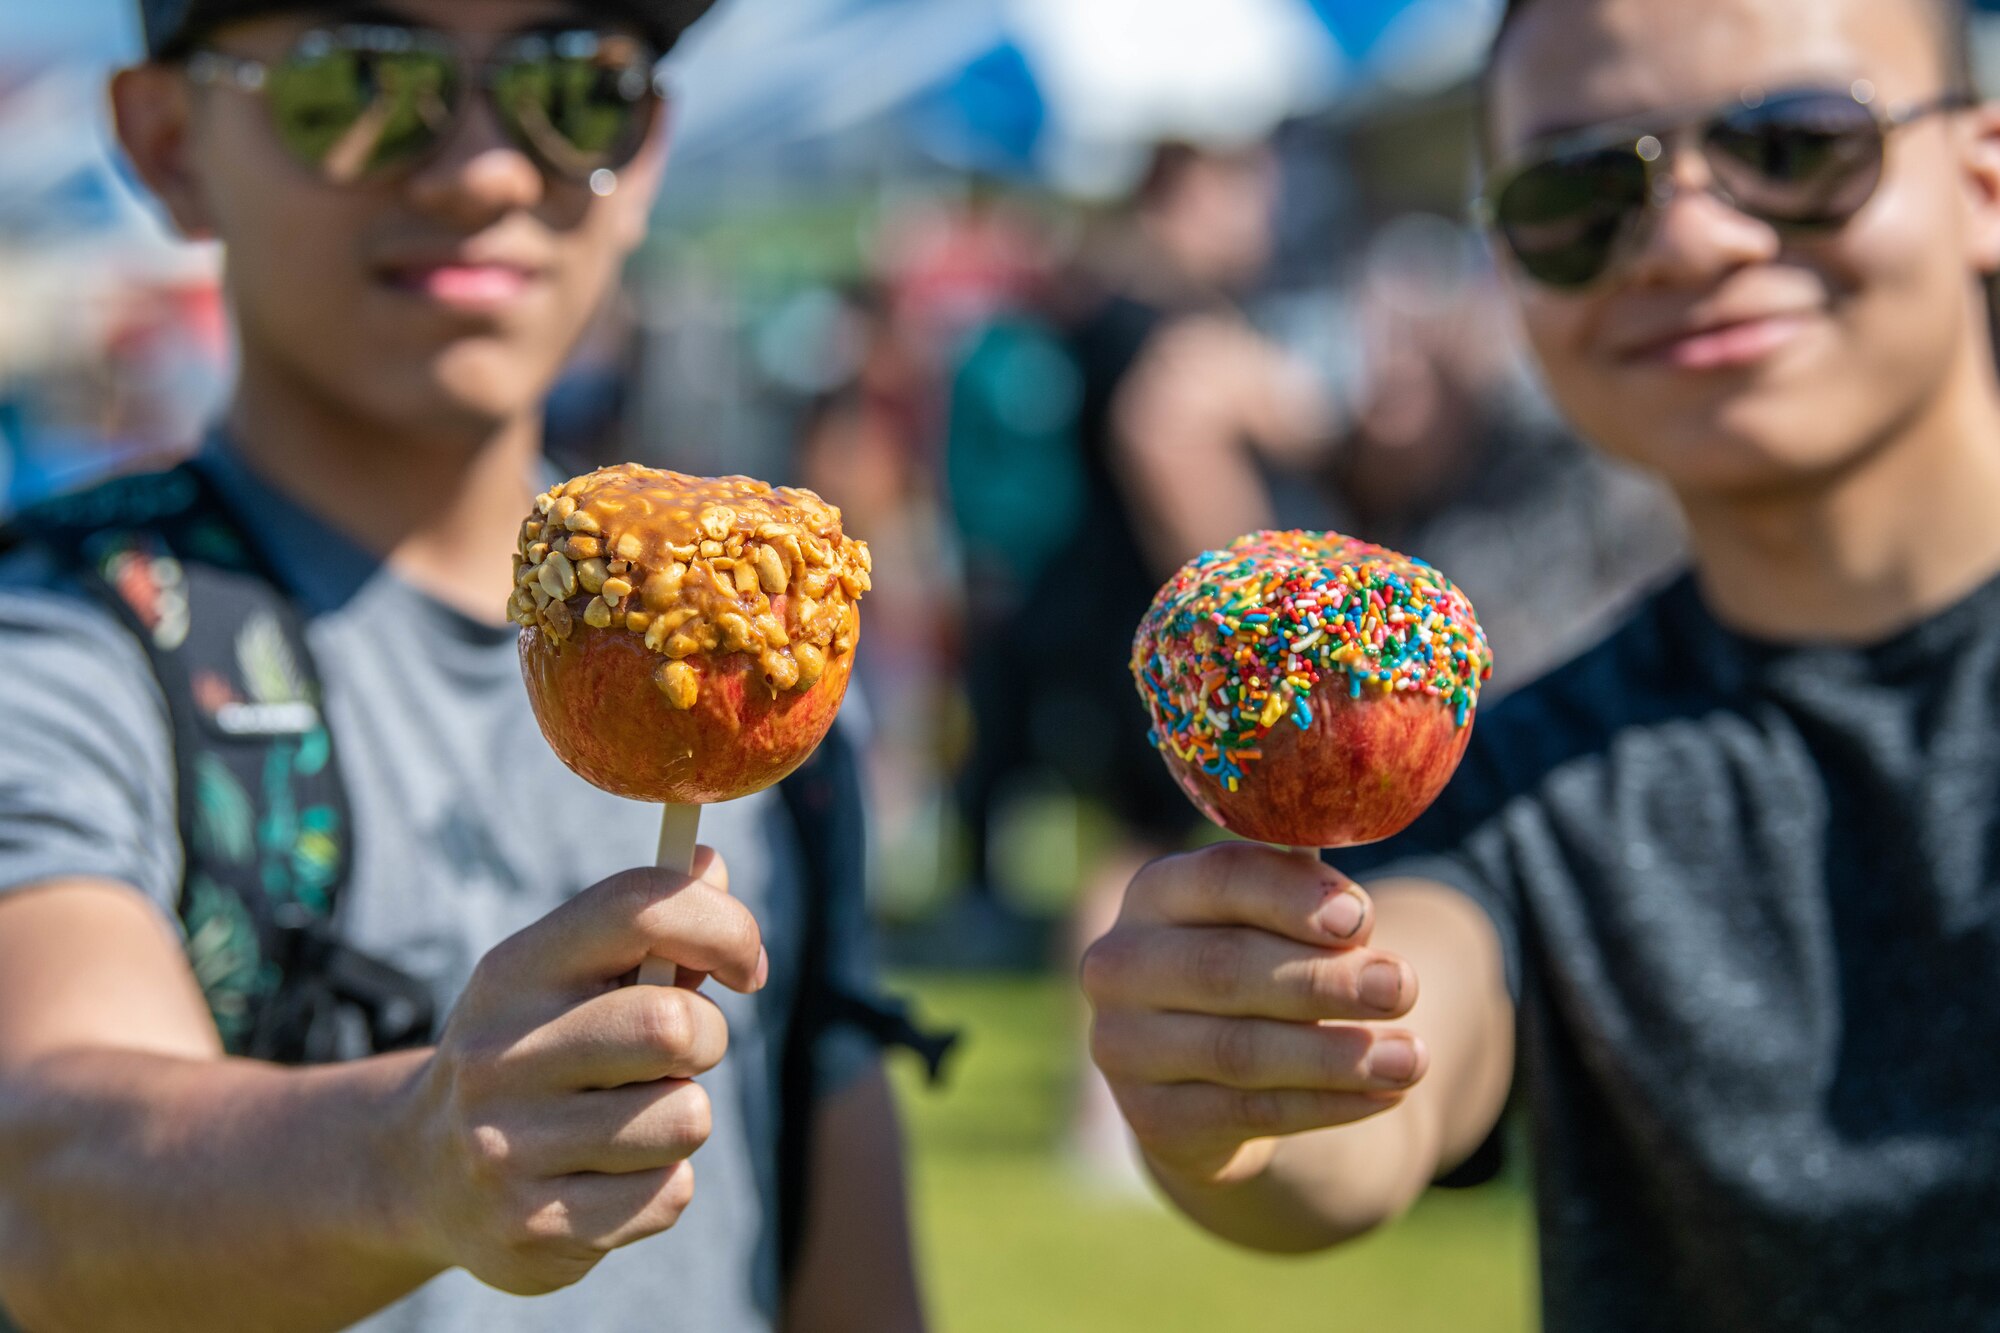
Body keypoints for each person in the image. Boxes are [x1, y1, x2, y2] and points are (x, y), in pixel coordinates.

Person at [0, 2, 926, 1331]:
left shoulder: (771, 660)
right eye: (361, 79)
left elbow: (852, 1267)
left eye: (577, 87)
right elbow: (44, 1177)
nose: (486, 167)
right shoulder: (65, 633)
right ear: (167, 142)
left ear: (648, 149)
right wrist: (413, 1156)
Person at [1081, 0, 2000, 1326]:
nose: (1689, 236)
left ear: (1978, 180)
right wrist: (1242, 1078)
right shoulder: (1528, 770)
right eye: (1578, 190)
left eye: (1794, 145)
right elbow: (1391, 1056)